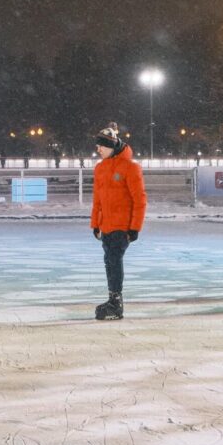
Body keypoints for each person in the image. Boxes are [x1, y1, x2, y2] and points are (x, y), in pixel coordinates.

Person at [90, 123, 147, 320]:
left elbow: (139, 200)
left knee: (114, 260)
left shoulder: (130, 168)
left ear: (112, 146)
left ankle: (116, 302)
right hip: (106, 225)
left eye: (101, 146)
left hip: (122, 227)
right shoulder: (100, 168)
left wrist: (134, 228)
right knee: (109, 262)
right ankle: (113, 298)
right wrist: (95, 224)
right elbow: (97, 200)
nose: (98, 149)